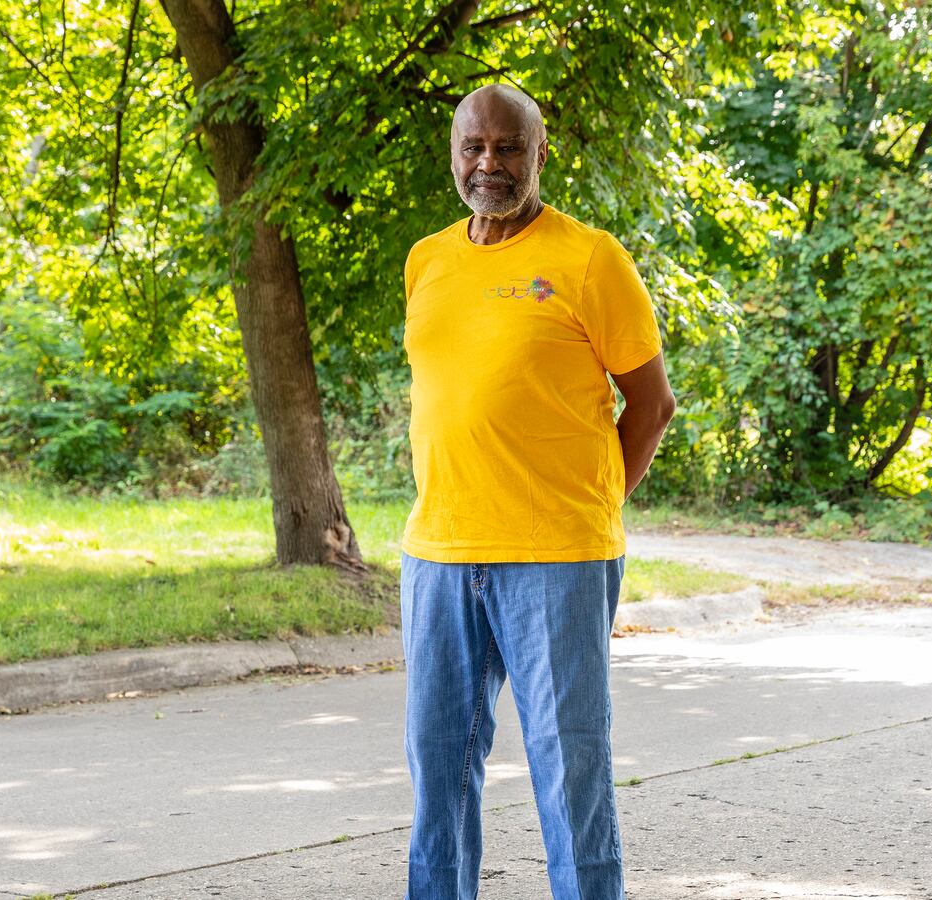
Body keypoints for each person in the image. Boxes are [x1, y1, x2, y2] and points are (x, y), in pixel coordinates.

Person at [398, 82, 677, 900]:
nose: (490, 163)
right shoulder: (426, 260)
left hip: (557, 559)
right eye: (473, 147)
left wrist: (591, 504)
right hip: (438, 555)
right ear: (453, 155)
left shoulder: (591, 258)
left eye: (509, 147)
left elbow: (651, 405)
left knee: (568, 768)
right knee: (438, 773)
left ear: (541, 153)